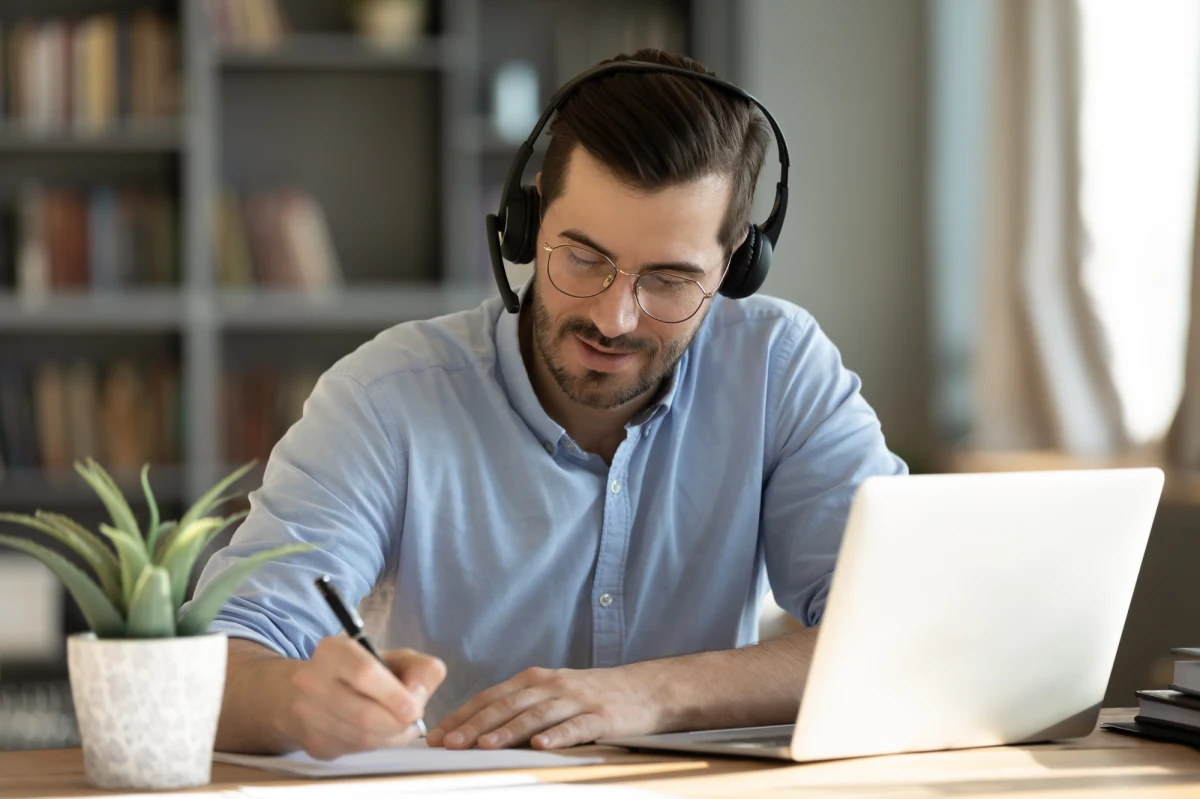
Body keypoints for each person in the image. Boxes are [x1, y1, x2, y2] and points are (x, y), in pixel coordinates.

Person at [192, 49, 906, 760]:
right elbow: (211, 666)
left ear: (734, 267)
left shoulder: (779, 370)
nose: (616, 317)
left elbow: (901, 630)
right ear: (527, 224)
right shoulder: (385, 397)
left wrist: (645, 694)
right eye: (584, 258)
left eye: (668, 279)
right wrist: (298, 702)